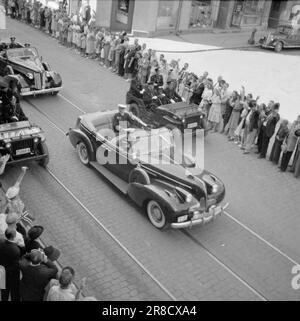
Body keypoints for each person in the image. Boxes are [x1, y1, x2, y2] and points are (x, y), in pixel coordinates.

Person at [0, 228, 21, 301]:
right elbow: (15, 265)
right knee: (10, 289)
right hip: (9, 273)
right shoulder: (16, 250)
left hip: (2, 269)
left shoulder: (1, 241)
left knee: (4, 289)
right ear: (14, 236)